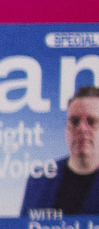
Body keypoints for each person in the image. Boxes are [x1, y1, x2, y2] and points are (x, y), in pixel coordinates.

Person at [37, 84, 99, 215]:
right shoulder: (39, 180)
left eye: (91, 121)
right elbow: (24, 227)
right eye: (74, 121)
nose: (82, 129)